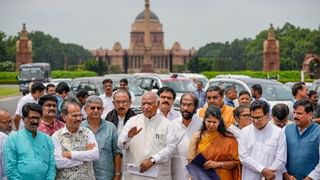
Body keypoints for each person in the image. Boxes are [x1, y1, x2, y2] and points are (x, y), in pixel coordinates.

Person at [118, 92, 176, 180]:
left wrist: (152, 160)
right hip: (135, 175)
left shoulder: (167, 124)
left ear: (157, 104)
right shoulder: (132, 121)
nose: (145, 107)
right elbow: (121, 145)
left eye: (149, 104)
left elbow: (170, 148)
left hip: (157, 174)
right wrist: (128, 136)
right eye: (143, 104)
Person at [4, 103, 56, 179]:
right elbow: (11, 170)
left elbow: (52, 166)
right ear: (23, 118)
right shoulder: (12, 139)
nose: (35, 121)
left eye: (38, 118)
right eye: (31, 118)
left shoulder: (47, 139)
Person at [188, 105, 241, 180]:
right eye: (209, 121)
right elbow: (191, 160)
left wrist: (218, 164)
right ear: (204, 120)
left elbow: (237, 163)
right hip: (203, 177)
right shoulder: (198, 137)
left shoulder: (229, 138)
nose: (211, 125)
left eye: (214, 122)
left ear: (219, 122)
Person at [239, 100, 287, 180]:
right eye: (252, 117)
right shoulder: (245, 132)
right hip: (251, 176)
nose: (255, 121)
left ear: (268, 116)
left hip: (272, 176)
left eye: (259, 118)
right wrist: (262, 170)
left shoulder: (278, 132)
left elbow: (281, 159)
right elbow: (243, 157)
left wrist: (269, 173)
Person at [52, 100, 99, 179]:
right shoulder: (57, 136)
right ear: (64, 117)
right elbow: (59, 162)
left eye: (80, 115)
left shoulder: (87, 133)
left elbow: (95, 155)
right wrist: (83, 159)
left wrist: (70, 154)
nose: (78, 118)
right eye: (74, 116)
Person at [82, 95, 122, 180]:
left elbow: (117, 152)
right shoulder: (80, 128)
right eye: (92, 108)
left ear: (102, 110)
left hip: (107, 175)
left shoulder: (111, 127)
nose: (96, 110)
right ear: (85, 109)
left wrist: (117, 174)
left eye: (99, 108)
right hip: (84, 175)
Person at [283, 99, 320, 180]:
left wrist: (310, 178)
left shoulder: (318, 132)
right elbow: (280, 155)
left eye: (299, 113)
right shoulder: (286, 129)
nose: (295, 116)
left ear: (310, 114)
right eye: (294, 113)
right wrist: (286, 175)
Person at [171, 93, 202, 180]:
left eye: (189, 105)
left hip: (195, 173)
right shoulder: (172, 124)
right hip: (175, 172)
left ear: (195, 107)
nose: (185, 108)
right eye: (183, 105)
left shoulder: (202, 125)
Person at [0, 109, 12, 180]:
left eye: (10, 121)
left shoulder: (12, 136)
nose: (10, 125)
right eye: (5, 123)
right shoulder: (4, 139)